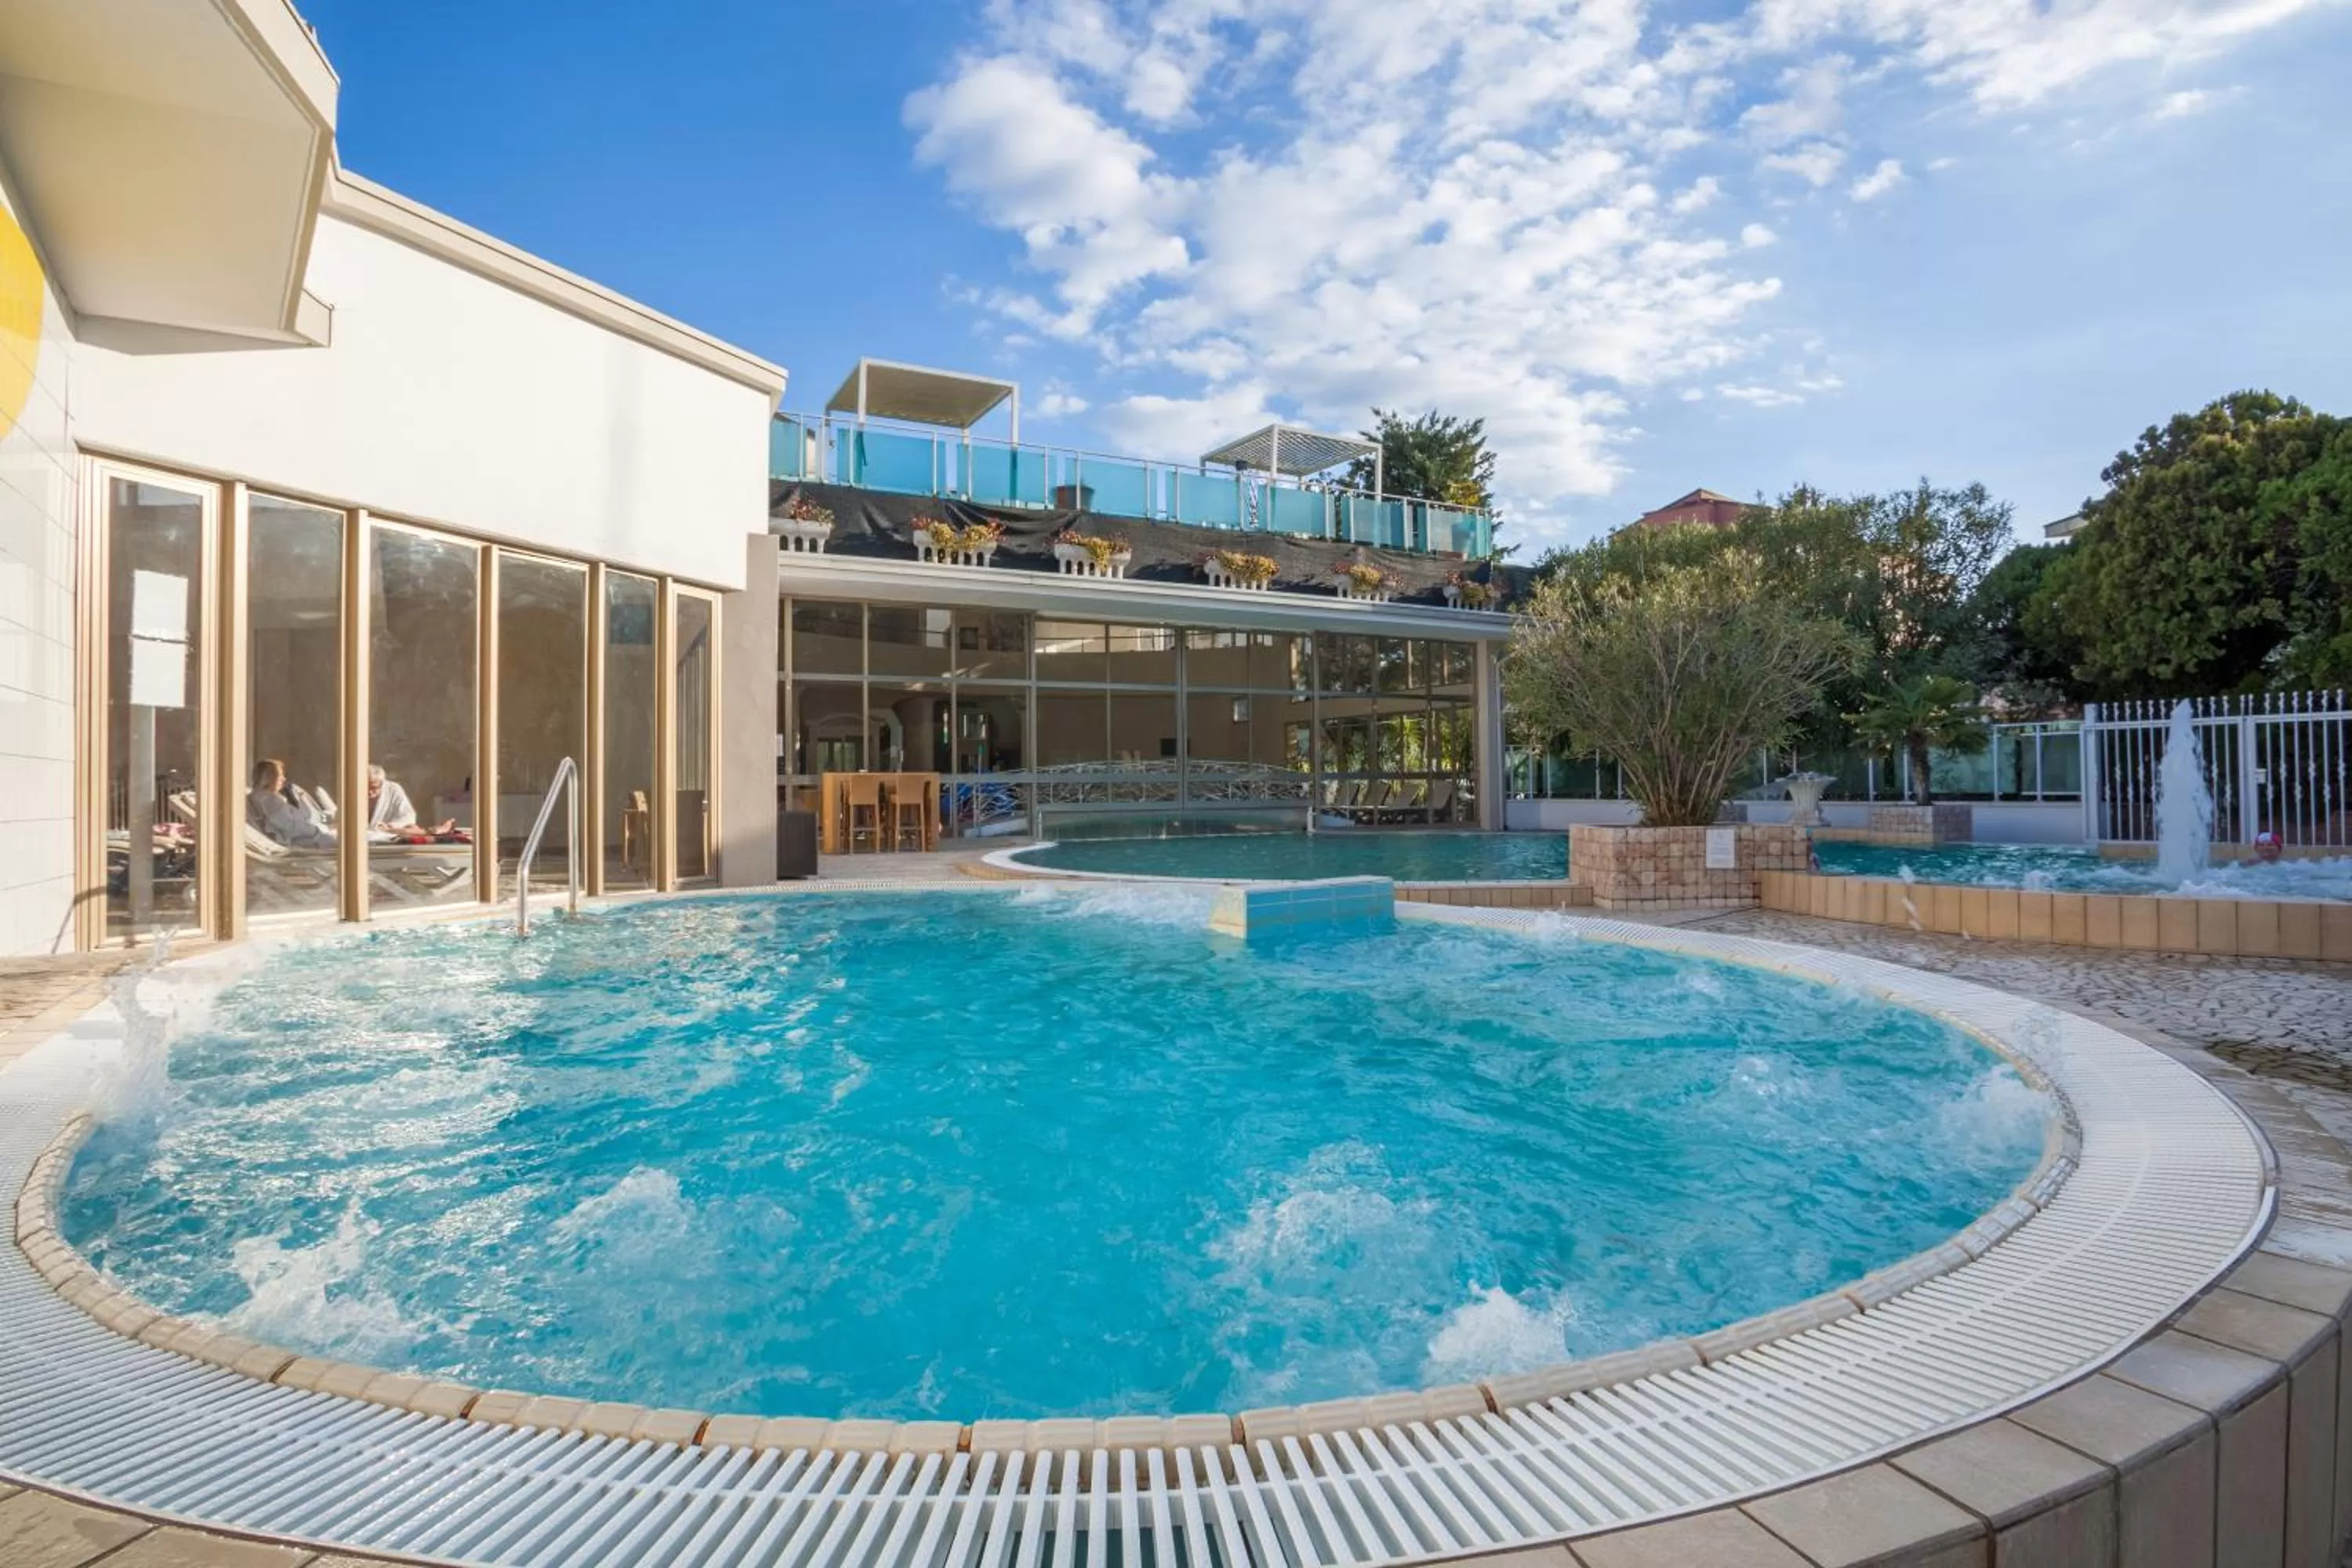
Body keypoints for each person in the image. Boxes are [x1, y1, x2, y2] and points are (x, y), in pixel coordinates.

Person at [247, 759, 336, 850]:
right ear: (269, 777)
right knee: (336, 840)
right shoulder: (269, 799)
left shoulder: (259, 796)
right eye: (280, 775)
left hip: (295, 835)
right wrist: (315, 830)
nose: (283, 779)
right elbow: (288, 826)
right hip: (291, 841)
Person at [366, 764, 459, 839]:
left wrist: (390, 826)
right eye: (365, 788)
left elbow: (408, 815)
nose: (369, 792)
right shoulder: (353, 793)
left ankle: (434, 831)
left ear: (382, 782)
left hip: (386, 835)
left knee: (410, 828)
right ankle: (433, 831)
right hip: (365, 836)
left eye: (374, 788)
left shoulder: (393, 789)